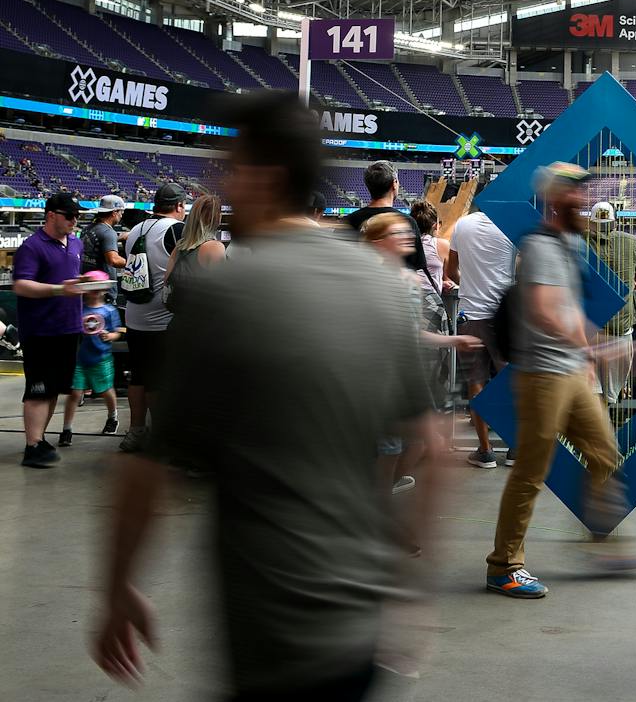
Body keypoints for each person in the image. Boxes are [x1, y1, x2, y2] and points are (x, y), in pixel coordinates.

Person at [93, 92, 441, 699]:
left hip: (273, 624)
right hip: (361, 619)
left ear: (269, 176)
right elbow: (436, 447)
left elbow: (149, 471)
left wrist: (119, 586)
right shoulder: (382, 285)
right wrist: (413, 594)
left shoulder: (230, 294)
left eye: (232, 169)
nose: (222, 185)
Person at [484, 163, 636, 599]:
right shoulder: (538, 246)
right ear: (556, 200)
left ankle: (604, 545)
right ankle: (504, 565)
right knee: (531, 471)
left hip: (573, 369)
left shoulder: (571, 242)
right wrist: (594, 348)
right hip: (542, 374)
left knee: (605, 454)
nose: (584, 200)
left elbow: (570, 308)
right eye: (575, 193)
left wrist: (591, 351)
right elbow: (543, 308)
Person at [360, 212, 478, 495]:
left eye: (405, 232)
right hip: (380, 379)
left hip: (401, 377)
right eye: (395, 234)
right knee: (396, 445)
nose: (405, 237)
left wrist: (453, 341)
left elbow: (411, 334)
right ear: (377, 243)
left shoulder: (408, 279)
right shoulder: (371, 280)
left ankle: (380, 497)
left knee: (417, 443)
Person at [11, 192, 85, 468]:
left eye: (77, 216)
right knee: (38, 389)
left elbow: (70, 278)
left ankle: (39, 438)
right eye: (69, 216)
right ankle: (32, 445)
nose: (74, 221)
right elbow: (21, 285)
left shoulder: (76, 243)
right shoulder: (32, 247)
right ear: (51, 215)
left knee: (53, 388)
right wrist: (58, 289)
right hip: (41, 330)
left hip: (68, 327)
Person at [117, 181, 188, 453]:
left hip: (135, 316)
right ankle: (160, 437)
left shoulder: (137, 229)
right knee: (159, 379)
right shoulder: (176, 229)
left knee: (139, 376)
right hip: (163, 319)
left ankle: (136, 431)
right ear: (179, 206)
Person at [447, 207, 515, 468]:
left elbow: (452, 271)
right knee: (510, 382)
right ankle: (514, 447)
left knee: (476, 383)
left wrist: (471, 285)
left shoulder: (462, 225)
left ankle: (485, 451)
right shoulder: (509, 225)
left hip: (471, 315)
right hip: (503, 317)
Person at [586, 201, 636, 408]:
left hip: (589, 328)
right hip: (620, 325)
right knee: (609, 395)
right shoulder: (631, 241)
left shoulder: (578, 242)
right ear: (615, 222)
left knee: (591, 390)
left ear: (590, 223)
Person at [60, 273, 123, 445]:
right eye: (91, 287)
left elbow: (117, 332)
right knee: (74, 392)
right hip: (80, 359)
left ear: (104, 289)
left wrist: (109, 336)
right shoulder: (79, 309)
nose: (94, 290)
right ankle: (67, 428)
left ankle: (113, 417)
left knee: (105, 390)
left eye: (98, 286)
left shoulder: (109, 311)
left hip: (101, 358)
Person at [343, 160, 427, 276]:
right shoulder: (406, 222)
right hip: (395, 290)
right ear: (394, 183)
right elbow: (416, 266)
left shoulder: (349, 221)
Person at [164, 193, 226, 313]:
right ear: (216, 217)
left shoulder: (179, 247)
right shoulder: (215, 247)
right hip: (201, 320)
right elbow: (222, 291)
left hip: (178, 319)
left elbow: (166, 282)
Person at [81, 194, 128, 283]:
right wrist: (133, 263)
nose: (121, 216)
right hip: (103, 288)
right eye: (121, 212)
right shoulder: (108, 232)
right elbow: (113, 260)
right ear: (114, 212)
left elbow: (98, 243)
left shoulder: (87, 228)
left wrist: (118, 238)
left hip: (87, 282)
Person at [409, 200, 451, 294]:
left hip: (406, 299)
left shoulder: (403, 244)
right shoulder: (442, 245)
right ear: (435, 226)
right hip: (428, 302)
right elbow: (449, 279)